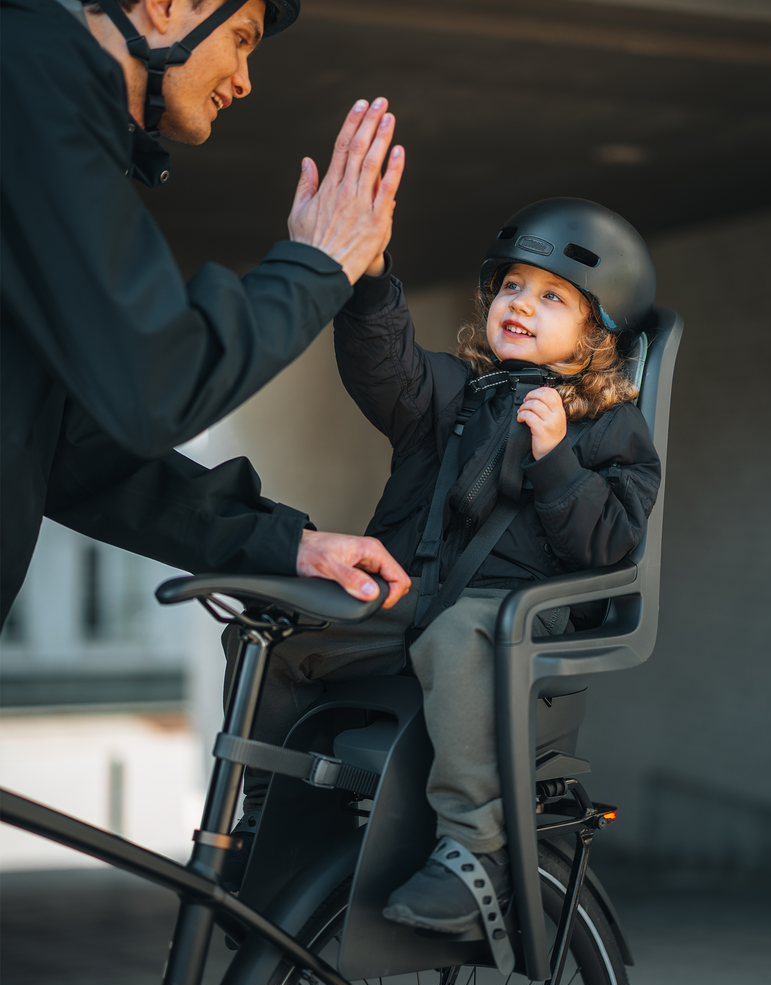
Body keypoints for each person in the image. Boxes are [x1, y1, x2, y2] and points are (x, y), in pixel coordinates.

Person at [228, 197, 662, 933]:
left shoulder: (607, 425)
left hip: (509, 618)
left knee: (457, 632)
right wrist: (368, 282)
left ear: (597, 334)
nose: (519, 303)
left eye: (551, 295)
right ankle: (273, 819)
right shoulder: (451, 394)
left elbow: (612, 542)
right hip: (413, 598)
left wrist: (557, 462)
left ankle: (474, 852)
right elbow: (383, 365)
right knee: (278, 636)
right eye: (512, 286)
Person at [0, 0, 411, 626]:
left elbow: (70, 446)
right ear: (164, 7)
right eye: (242, 38)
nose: (245, 79)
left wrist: (282, 544)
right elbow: (156, 381)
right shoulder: (27, 75)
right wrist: (320, 264)